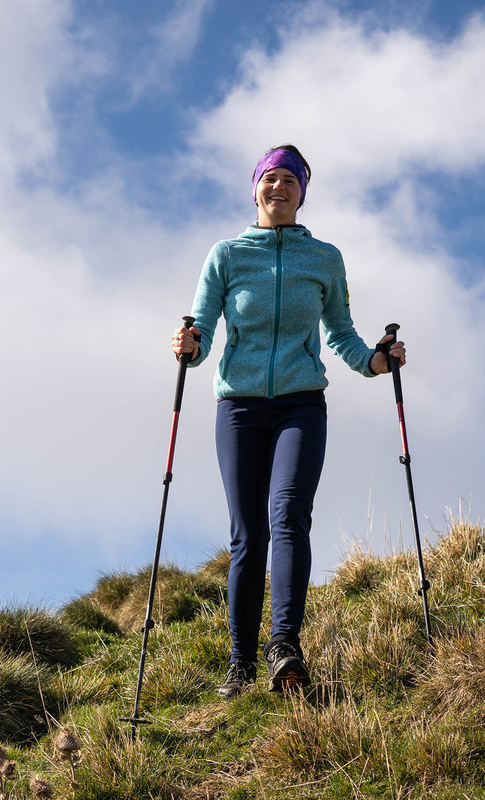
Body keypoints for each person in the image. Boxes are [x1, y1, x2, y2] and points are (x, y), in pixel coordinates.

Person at [170, 144, 405, 697]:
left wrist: (375, 360)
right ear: (255, 188)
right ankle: (239, 662)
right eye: (270, 179)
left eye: (290, 181)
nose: (279, 188)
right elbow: (201, 331)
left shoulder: (324, 258)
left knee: (289, 515)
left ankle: (284, 647)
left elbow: (341, 334)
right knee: (248, 535)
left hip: (302, 403)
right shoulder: (226, 255)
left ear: (303, 193)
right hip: (240, 407)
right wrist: (189, 344)